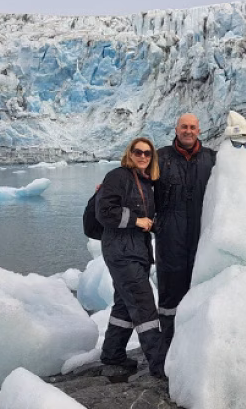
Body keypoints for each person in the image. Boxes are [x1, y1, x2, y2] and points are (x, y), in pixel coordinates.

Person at [153, 112, 246, 346]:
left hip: (202, 235)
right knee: (170, 294)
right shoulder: (160, 158)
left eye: (192, 127)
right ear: (176, 129)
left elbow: (240, 166)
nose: (188, 131)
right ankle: (168, 347)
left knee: (201, 288)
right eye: (184, 126)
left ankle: (196, 345)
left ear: (199, 130)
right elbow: (135, 176)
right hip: (169, 238)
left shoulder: (211, 159)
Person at [95, 137, 167, 378]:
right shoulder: (118, 176)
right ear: (130, 153)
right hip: (121, 251)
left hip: (137, 251)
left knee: (125, 305)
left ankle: (113, 354)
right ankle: (161, 366)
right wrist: (136, 220)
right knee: (145, 308)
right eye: (138, 152)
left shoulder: (146, 182)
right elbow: (105, 211)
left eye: (148, 153)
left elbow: (146, 217)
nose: (143, 156)